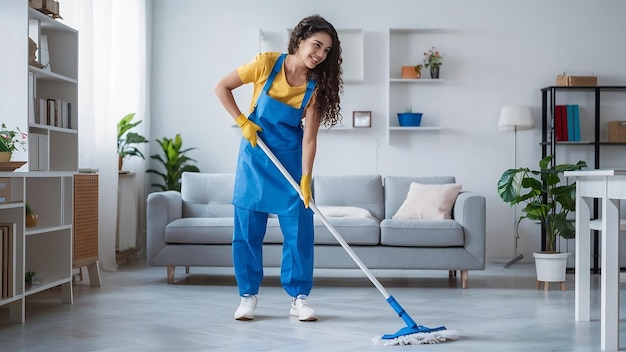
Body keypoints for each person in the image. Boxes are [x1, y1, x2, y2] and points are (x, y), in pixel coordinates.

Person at [214, 14, 342, 322]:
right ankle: (247, 296)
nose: (320, 55)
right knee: (247, 231)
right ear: (300, 40)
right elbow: (222, 87)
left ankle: (298, 298)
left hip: (290, 160)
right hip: (255, 156)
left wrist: (307, 177)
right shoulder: (266, 64)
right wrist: (242, 121)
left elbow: (310, 139)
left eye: (327, 51)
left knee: (298, 231)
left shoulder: (316, 86)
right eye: (317, 45)